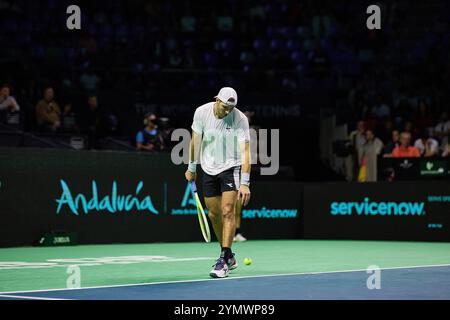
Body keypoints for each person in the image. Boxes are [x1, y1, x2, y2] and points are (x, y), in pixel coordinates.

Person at [185, 87, 251, 278]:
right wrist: (191, 168)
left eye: (231, 107)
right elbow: (195, 141)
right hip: (208, 167)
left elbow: (246, 151)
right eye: (225, 106)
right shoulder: (202, 112)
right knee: (214, 214)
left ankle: (223, 259)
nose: (228, 111)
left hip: (232, 166)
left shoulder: (240, 119)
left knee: (227, 211)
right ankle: (229, 254)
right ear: (217, 100)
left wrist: (245, 182)